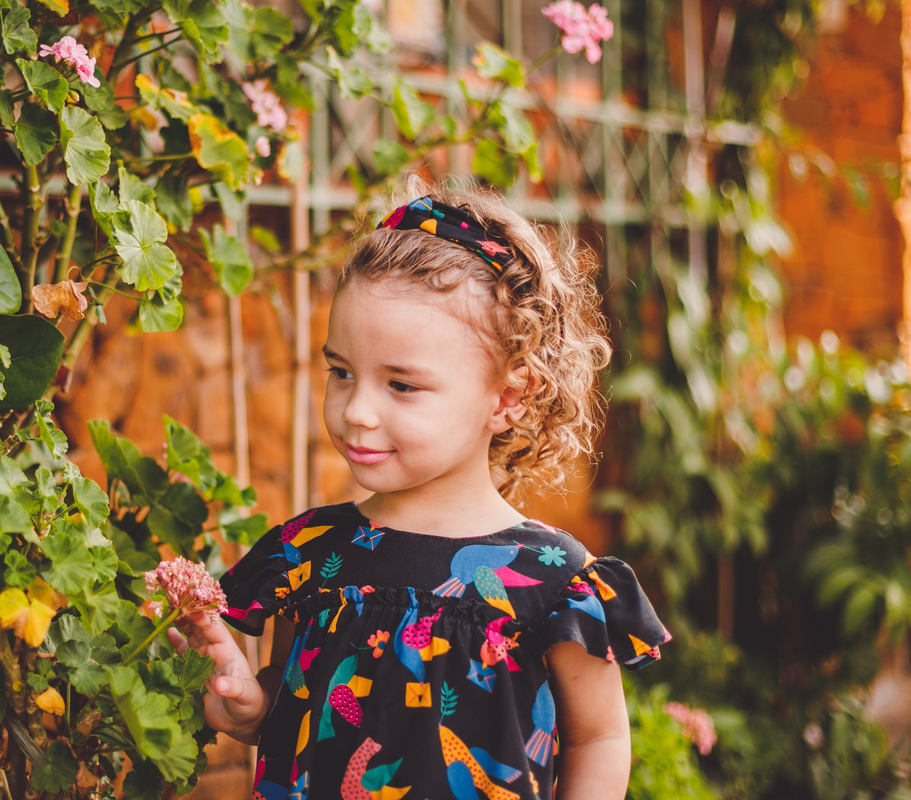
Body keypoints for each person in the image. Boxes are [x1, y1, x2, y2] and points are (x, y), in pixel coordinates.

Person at [168, 182, 670, 800]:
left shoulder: (554, 583)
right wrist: (251, 709)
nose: (357, 411)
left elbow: (598, 738)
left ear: (508, 397)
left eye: (401, 385)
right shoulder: (311, 552)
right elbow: (298, 704)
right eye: (341, 372)